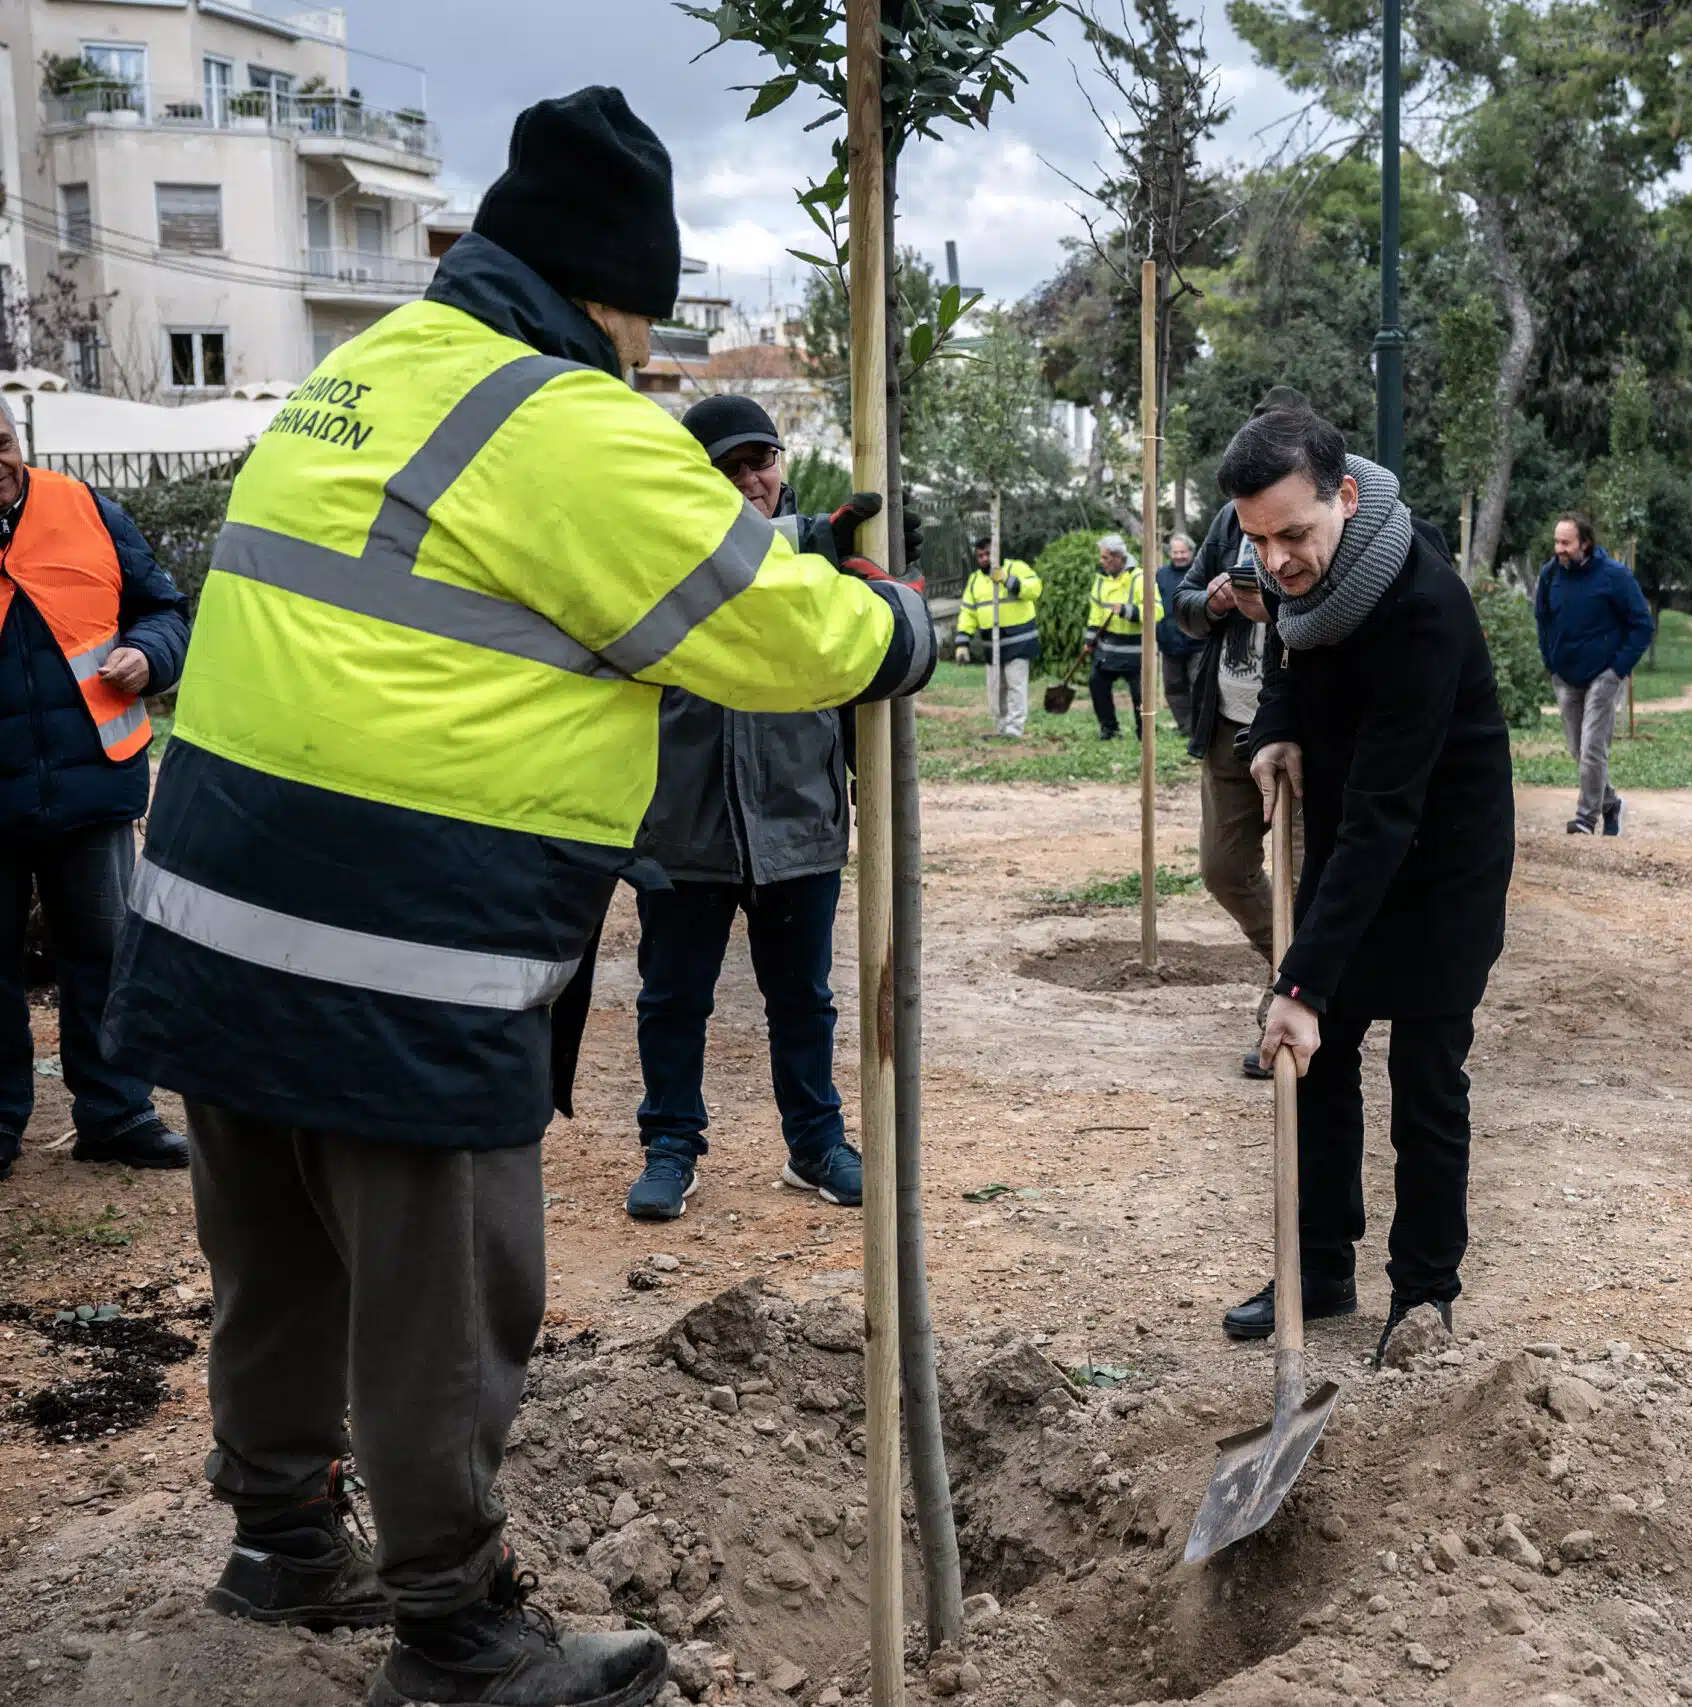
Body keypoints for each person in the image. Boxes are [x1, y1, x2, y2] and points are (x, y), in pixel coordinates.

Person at [101, 88, 934, 1707]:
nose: (641, 353)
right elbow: (762, 629)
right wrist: (894, 627)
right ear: (606, 291)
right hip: (395, 938)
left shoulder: (364, 378)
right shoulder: (562, 423)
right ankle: (460, 1626)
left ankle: (281, 1536)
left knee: (273, 1248)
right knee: (438, 1286)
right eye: (642, 319)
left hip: (205, 910)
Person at [1220, 406, 1514, 1359]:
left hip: (1442, 864)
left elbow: (1392, 809)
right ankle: (1319, 1265)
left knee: (1426, 1078)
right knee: (1320, 1066)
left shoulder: (1421, 603)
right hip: (1355, 838)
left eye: (1293, 533)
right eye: (1257, 540)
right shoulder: (1301, 582)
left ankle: (1424, 1293)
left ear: (1346, 496)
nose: (1276, 560)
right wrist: (1272, 732)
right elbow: (1287, 662)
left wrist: (1298, 982)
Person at [622, 394, 881, 1226]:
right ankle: (670, 1145)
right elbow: (725, 567)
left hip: (796, 816)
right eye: (728, 469)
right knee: (672, 998)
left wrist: (862, 786)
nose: (751, 481)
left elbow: (849, 674)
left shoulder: (822, 563)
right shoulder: (654, 559)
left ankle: (816, 1144)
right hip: (683, 823)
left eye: (760, 461)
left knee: (803, 998)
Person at [0, 413, 191, 1186]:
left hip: (93, 781)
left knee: (107, 954)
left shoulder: (88, 510)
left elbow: (165, 610)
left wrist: (150, 656)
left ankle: (116, 1114)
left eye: (0, 444)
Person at [1171, 388, 1309, 1080]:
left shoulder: (1320, 515)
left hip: (1304, 731)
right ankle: (1292, 966)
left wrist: (1279, 600)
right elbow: (1185, 606)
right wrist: (1221, 599)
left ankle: (1291, 1001)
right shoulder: (1230, 518)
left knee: (1304, 876)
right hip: (1230, 723)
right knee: (1224, 867)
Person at [1534, 512, 1652, 836]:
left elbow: (1643, 624)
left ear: (1585, 543)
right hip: (1566, 675)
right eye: (1557, 541)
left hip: (1604, 674)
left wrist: (1618, 669)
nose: (1559, 548)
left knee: (1592, 747)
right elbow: (1542, 619)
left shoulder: (1614, 576)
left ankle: (1587, 817)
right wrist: (1551, 661)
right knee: (1577, 749)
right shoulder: (1549, 575)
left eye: (1566, 543)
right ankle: (1610, 803)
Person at [956, 535, 1041, 739]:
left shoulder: (1017, 568)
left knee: (1015, 685)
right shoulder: (975, 580)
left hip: (1018, 641)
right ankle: (1000, 728)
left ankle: (1014, 729)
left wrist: (1007, 579)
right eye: (980, 556)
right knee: (996, 688)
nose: (984, 559)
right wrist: (962, 641)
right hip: (991, 644)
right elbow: (968, 612)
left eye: (987, 554)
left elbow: (1035, 589)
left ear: (997, 552)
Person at [1082, 533, 1145, 739]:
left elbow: (1156, 611)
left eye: (1106, 558)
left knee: (1140, 695)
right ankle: (1109, 729)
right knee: (1096, 683)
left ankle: (1143, 733)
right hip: (1107, 649)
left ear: (1119, 557)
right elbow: (1095, 615)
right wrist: (1089, 640)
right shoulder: (1100, 581)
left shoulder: (1139, 579)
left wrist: (1128, 611)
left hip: (1135, 651)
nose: (1102, 562)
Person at [1158, 531, 1202, 733]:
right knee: (1173, 687)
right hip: (1169, 642)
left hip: (1197, 640)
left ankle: (1200, 725)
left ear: (1191, 552)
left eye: (1182, 552)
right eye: (1175, 552)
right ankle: (1185, 725)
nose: (1179, 556)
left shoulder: (1201, 572)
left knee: (1199, 685)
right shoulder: (1162, 574)